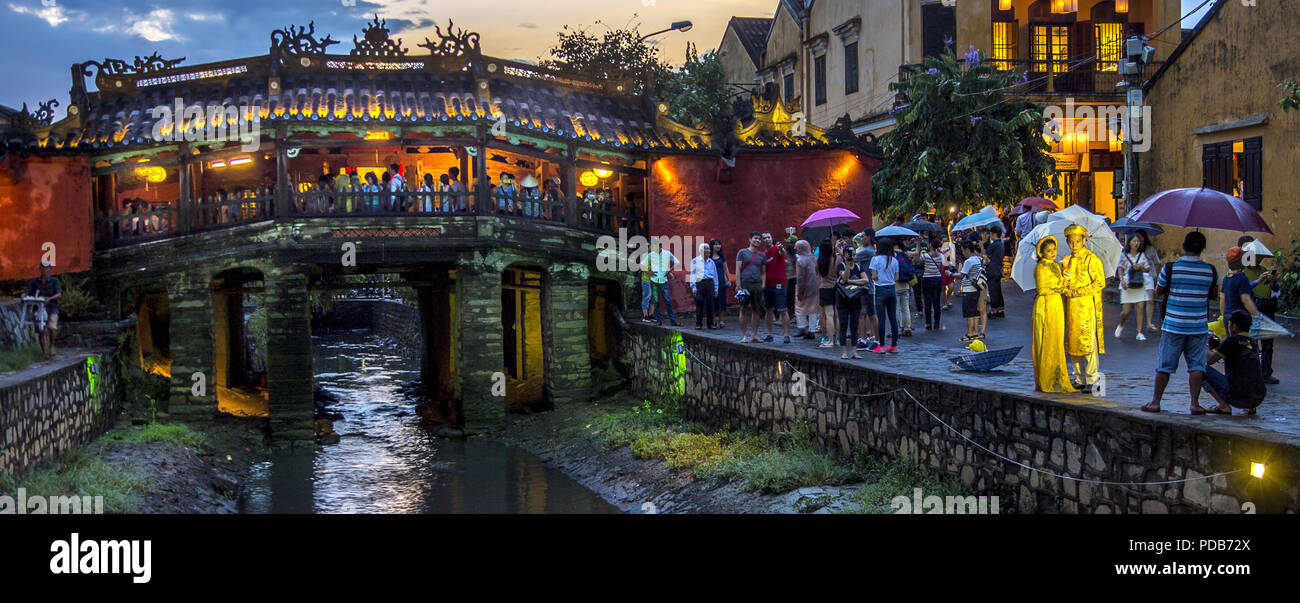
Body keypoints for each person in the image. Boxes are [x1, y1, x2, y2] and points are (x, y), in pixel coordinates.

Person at [1143, 231, 1219, 414]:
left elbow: (1159, 290)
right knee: (1196, 367)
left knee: (1165, 366)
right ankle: (1194, 403)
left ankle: (1155, 402)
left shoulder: (1171, 268)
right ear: (1202, 249)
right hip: (1198, 325)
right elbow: (1214, 295)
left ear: (1184, 246)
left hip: (1173, 325)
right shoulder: (1210, 270)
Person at [1062, 224, 1106, 392]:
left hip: (1086, 304)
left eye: (1078, 241)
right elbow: (1065, 284)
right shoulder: (1068, 260)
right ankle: (1079, 377)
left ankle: (1093, 379)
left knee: (1088, 342)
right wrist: (1064, 275)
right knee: (1073, 342)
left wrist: (1078, 292)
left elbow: (1100, 283)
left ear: (1084, 241)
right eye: (1071, 242)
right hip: (1072, 306)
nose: (1074, 245)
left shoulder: (1092, 259)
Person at [1202, 311, 1266, 415]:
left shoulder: (1231, 341)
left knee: (1200, 369)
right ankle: (1251, 408)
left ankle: (1223, 406)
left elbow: (1209, 360)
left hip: (1238, 396)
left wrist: (1204, 344)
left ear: (1234, 326)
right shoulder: (1253, 343)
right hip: (1258, 397)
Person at [1031, 237, 1074, 393]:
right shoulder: (1041, 267)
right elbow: (1042, 290)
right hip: (1045, 305)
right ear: (1042, 253)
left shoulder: (1055, 265)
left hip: (1056, 304)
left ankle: (1056, 376)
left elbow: (1061, 284)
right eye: (1049, 251)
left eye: (1054, 249)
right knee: (1046, 341)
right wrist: (1060, 288)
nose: (1053, 253)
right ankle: (1045, 379)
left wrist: (1065, 274)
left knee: (1056, 341)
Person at [1239, 235, 1281, 384]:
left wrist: (1274, 283)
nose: (1259, 259)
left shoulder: (1264, 270)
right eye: (1257, 256)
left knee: (1268, 343)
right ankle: (1253, 372)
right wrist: (1258, 281)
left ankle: (1266, 372)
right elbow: (1243, 290)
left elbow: (1276, 292)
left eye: (1261, 257)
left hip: (1267, 307)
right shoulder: (1242, 271)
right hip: (1252, 308)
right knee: (1252, 343)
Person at [1115, 234, 1151, 341]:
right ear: (1129, 242)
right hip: (1128, 283)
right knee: (1126, 311)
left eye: (1138, 241)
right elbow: (1120, 268)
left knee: (1140, 308)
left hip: (1139, 282)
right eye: (1134, 241)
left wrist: (1141, 267)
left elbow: (1148, 269)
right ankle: (1121, 324)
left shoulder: (1142, 255)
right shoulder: (1124, 255)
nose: (1136, 243)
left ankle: (1139, 332)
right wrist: (1121, 280)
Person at [835, 246, 869, 359]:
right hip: (843, 299)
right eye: (850, 254)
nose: (852, 256)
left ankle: (854, 351)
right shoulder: (841, 265)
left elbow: (866, 280)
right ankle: (844, 351)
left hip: (855, 299)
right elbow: (844, 277)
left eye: (854, 254)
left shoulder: (859, 267)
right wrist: (848, 265)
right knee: (843, 324)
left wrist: (851, 281)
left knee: (854, 325)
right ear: (844, 255)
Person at [736, 232, 768, 343]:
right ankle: (744, 335)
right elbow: (738, 269)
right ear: (750, 239)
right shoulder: (742, 252)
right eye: (755, 238)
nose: (758, 240)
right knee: (743, 309)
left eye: (759, 239)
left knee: (756, 310)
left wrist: (763, 284)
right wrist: (738, 284)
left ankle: (754, 334)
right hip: (745, 284)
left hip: (757, 284)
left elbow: (764, 272)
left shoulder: (762, 255)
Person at [26, 260, 62, 360]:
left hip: (52, 307)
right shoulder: (34, 282)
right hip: (38, 308)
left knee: (52, 327)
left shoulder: (55, 281)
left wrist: (50, 299)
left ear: (50, 269)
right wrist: (24, 296)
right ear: (40, 269)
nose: (45, 270)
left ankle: (51, 346)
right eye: (43, 268)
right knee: (41, 330)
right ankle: (44, 352)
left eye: (47, 268)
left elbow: (59, 294)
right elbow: (28, 292)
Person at [869, 238, 901, 353]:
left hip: (880, 289)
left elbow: (874, 276)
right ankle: (894, 344)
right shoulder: (894, 260)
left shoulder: (875, 259)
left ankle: (881, 345)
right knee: (892, 318)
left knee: (881, 318)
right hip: (892, 289)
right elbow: (897, 278)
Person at [761, 232, 791, 343]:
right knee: (768, 310)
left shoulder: (777, 249)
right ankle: (769, 334)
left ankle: (787, 335)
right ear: (762, 241)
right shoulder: (763, 254)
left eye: (768, 237)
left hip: (779, 284)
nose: (767, 239)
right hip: (768, 285)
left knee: (783, 310)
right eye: (764, 238)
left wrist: (782, 249)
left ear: (771, 238)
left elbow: (783, 254)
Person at [645, 239, 679, 326]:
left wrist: (669, 271)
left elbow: (677, 262)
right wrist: (649, 272)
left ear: (660, 245)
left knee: (667, 301)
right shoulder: (651, 255)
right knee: (656, 301)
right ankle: (659, 321)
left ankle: (673, 321)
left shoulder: (667, 253)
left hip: (663, 281)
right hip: (654, 281)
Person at [853, 228, 878, 350]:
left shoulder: (867, 251)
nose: (861, 239)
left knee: (868, 314)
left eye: (863, 236)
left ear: (869, 237)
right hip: (867, 287)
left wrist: (838, 249)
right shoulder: (870, 251)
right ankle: (869, 338)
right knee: (866, 314)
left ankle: (870, 339)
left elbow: (851, 258)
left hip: (866, 287)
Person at [958, 241, 984, 342]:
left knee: (969, 313)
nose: (963, 253)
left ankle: (969, 333)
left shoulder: (968, 261)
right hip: (976, 288)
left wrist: (950, 274)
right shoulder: (978, 259)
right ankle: (975, 333)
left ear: (967, 250)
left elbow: (961, 275)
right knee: (974, 312)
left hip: (968, 289)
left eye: (963, 251)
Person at [793, 240, 820, 339]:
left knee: (800, 308)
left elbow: (800, 277)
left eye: (797, 247)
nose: (795, 249)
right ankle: (811, 330)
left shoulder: (800, 260)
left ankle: (802, 328)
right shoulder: (814, 258)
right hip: (815, 287)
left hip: (804, 288)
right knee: (813, 310)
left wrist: (800, 291)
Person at [689, 242, 719, 330]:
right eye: (705, 249)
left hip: (709, 283)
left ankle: (711, 324)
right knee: (699, 303)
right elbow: (693, 274)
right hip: (699, 283)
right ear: (700, 250)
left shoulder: (711, 262)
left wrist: (716, 288)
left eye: (708, 249)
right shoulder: (695, 261)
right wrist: (693, 286)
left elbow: (715, 276)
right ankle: (699, 324)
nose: (707, 251)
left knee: (711, 304)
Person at [815, 240, 839, 348]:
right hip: (837, 287)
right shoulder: (837, 258)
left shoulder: (818, 260)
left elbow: (818, 275)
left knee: (828, 315)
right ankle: (837, 337)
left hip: (824, 288)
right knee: (837, 315)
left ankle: (830, 339)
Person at [1137, 230, 1161, 333]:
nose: (1139, 240)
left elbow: (1157, 263)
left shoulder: (1150, 249)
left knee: (1150, 300)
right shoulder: (1133, 250)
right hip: (1137, 278)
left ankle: (1149, 322)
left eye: (1141, 237)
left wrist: (1157, 276)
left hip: (1149, 277)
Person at [919, 238, 946, 331]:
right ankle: (937, 323)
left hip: (927, 278)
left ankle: (928, 323)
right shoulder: (941, 256)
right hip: (937, 278)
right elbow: (942, 268)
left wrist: (918, 245)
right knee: (936, 302)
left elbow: (918, 260)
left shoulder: (925, 255)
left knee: (927, 302)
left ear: (930, 245)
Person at [894, 242, 916, 337]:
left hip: (896, 285)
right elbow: (916, 253)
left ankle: (899, 328)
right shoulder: (904, 254)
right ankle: (907, 327)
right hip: (906, 285)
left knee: (897, 308)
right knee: (906, 308)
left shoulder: (892, 256)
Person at [708, 239, 731, 329]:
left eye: (719, 244)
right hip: (711, 280)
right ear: (712, 246)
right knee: (712, 300)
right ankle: (713, 319)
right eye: (715, 245)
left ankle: (721, 320)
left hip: (721, 280)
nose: (718, 246)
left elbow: (725, 268)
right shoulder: (708, 256)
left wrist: (728, 279)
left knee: (721, 300)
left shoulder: (722, 256)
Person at [985, 227, 1006, 318]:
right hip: (998, 269)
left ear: (993, 234)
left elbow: (986, 254)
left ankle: (993, 311)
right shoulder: (1001, 244)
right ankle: (1000, 310)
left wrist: (982, 245)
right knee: (998, 290)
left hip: (992, 270)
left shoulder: (993, 245)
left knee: (993, 290)